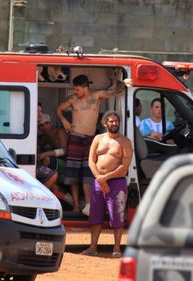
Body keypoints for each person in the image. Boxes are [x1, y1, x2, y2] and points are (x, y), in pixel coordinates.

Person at [56, 74, 130, 215]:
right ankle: (76, 206)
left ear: (85, 88)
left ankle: (89, 206)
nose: (75, 92)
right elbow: (58, 109)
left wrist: (124, 83)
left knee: (88, 172)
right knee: (73, 174)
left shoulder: (97, 96)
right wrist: (64, 120)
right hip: (75, 138)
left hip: (91, 139)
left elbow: (114, 91)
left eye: (77, 89)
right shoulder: (73, 99)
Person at [82, 111, 132, 258]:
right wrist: (99, 177)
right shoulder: (98, 138)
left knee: (117, 216)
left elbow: (125, 166)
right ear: (105, 123)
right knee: (95, 216)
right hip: (98, 181)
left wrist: (106, 178)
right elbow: (91, 160)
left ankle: (116, 248)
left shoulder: (125, 141)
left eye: (116, 121)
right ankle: (93, 247)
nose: (114, 123)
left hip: (116, 182)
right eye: (111, 121)